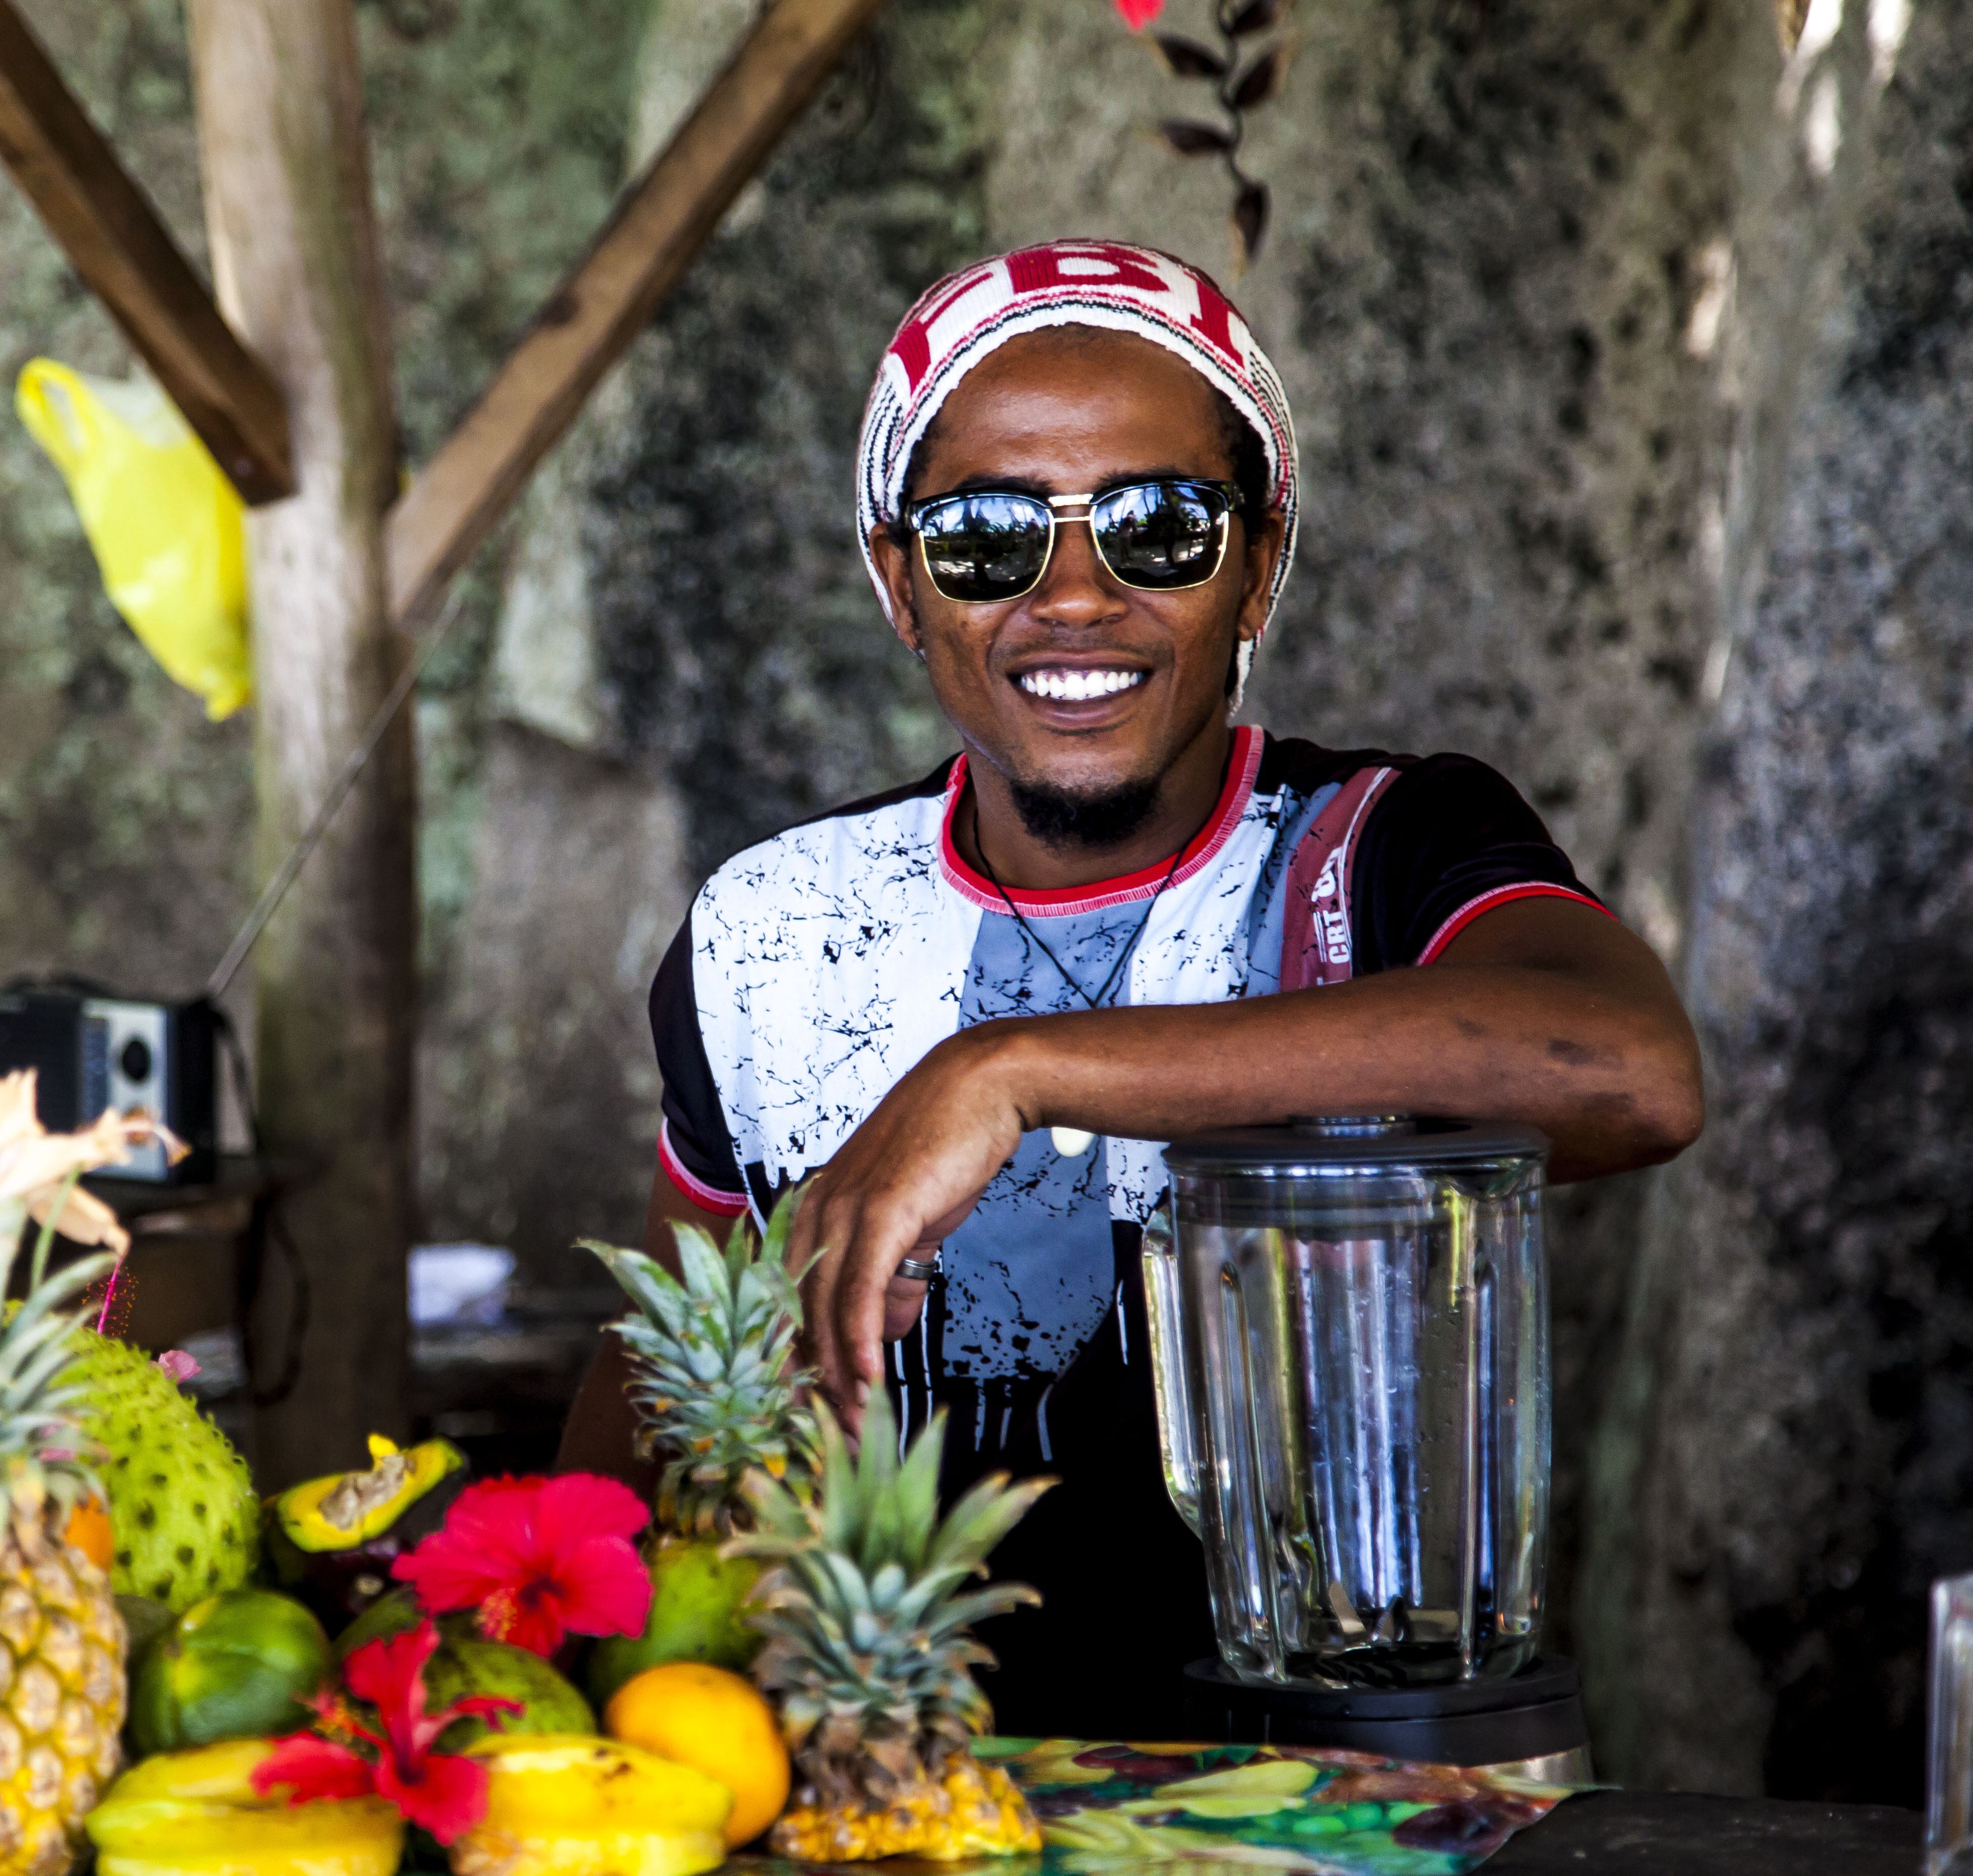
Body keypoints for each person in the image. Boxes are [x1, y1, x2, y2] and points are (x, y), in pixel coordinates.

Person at [553, 238, 1704, 1737]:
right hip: (867, 1784)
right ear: (902, 587)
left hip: (1322, 1797)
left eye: (1161, 525)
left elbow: (1629, 1074)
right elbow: (647, 1389)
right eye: (984, 539)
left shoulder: (1380, 850)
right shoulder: (776, 927)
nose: (1077, 595)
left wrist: (1010, 1071)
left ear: (1260, 565)